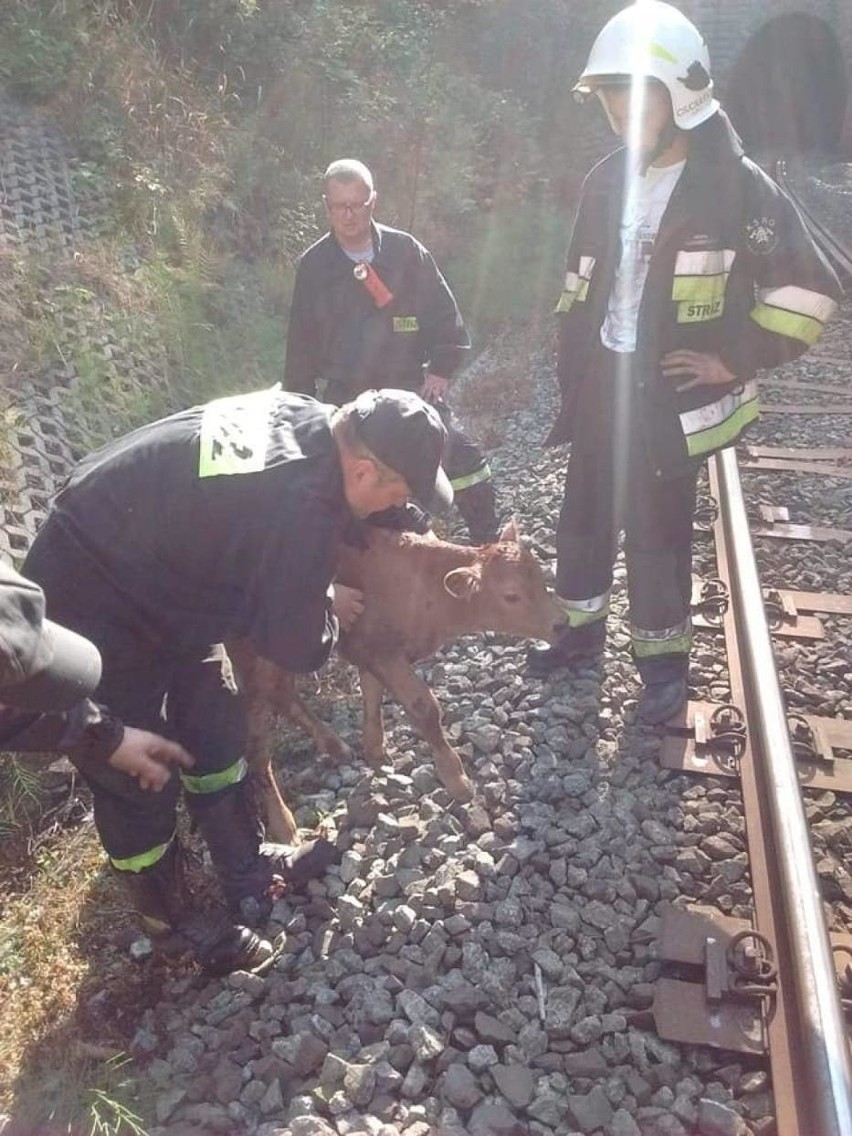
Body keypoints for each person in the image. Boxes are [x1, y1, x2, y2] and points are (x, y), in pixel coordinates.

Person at [23, 385, 453, 973]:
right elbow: (295, 646)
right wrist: (319, 600)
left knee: (215, 722)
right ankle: (170, 925)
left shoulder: (317, 420)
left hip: (169, 577)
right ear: (362, 469)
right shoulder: (302, 504)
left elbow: (255, 520)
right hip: (91, 589)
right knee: (138, 771)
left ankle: (245, 863)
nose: (396, 507)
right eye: (397, 492)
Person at [528, 1, 840, 725]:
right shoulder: (605, 179)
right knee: (582, 517)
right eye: (609, 98)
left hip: (665, 392)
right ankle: (575, 635)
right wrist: (571, 366)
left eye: (632, 95)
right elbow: (580, 285)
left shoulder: (733, 187)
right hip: (603, 381)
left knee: (659, 532)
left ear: (680, 97)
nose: (617, 112)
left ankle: (663, 671)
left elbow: (810, 289)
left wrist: (735, 358)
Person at [284, 158, 501, 544]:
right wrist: (299, 408)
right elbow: (301, 347)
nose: (349, 215)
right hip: (347, 396)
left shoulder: (405, 252)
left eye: (358, 204)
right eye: (340, 206)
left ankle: (490, 546)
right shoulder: (314, 267)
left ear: (374, 202)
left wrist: (442, 368)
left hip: (408, 388)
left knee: (463, 459)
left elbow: (444, 314)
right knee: (344, 484)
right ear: (326, 207)